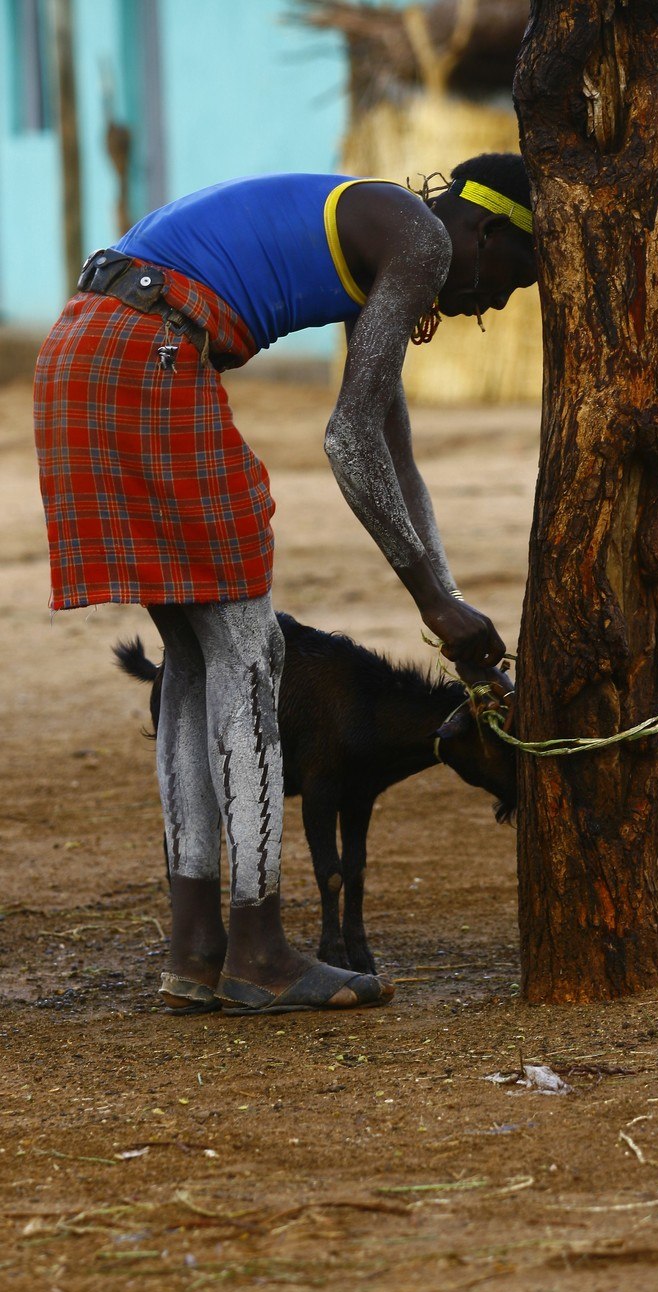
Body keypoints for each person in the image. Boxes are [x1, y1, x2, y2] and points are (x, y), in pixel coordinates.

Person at [34, 152, 536, 1016]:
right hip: (151, 354)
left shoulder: (381, 235)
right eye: (504, 286)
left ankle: (196, 947)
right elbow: (348, 443)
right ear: (484, 234)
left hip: (85, 347)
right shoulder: (417, 241)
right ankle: (260, 952)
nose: (488, 308)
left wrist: (450, 607)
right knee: (253, 652)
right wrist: (432, 601)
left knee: (193, 655)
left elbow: (391, 446)